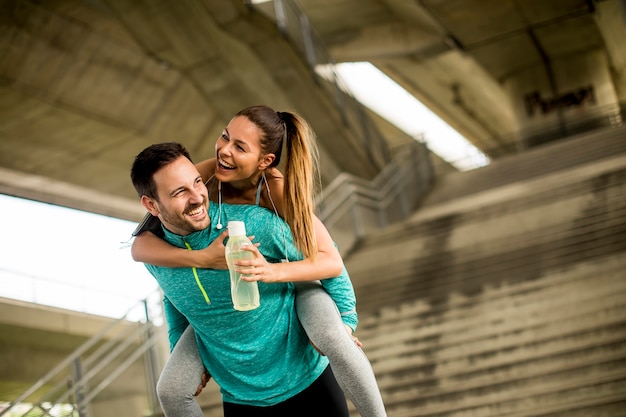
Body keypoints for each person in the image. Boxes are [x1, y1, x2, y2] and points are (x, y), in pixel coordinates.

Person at [132, 105, 387, 417]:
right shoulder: (208, 174)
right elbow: (145, 245)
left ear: (264, 161)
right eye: (224, 137)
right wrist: (200, 258)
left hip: (296, 277)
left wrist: (346, 319)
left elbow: (329, 259)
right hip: (237, 315)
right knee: (169, 389)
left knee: (333, 336)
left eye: (240, 147)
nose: (225, 150)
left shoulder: (275, 192)